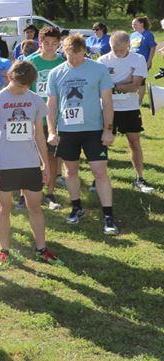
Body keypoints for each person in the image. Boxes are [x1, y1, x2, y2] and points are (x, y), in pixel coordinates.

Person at [0, 61, 59, 267]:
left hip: (30, 163)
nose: (22, 89)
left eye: (25, 86)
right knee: (3, 207)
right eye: (18, 85)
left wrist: (46, 165)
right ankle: (4, 251)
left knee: (35, 207)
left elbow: (39, 136)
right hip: (4, 164)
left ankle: (41, 249)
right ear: (9, 77)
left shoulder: (34, 100)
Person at [46, 34, 118, 234]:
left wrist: (108, 129)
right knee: (71, 171)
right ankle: (77, 207)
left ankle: (108, 216)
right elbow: (51, 106)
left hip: (94, 130)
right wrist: (52, 131)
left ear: (84, 51)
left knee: (100, 171)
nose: (74, 59)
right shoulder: (56, 73)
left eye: (77, 54)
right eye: (70, 54)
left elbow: (108, 102)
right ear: (64, 51)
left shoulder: (98, 69)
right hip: (67, 131)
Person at [99, 30, 153, 192]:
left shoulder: (138, 58)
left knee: (134, 142)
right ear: (110, 45)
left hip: (130, 108)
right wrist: (125, 83)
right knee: (103, 143)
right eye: (115, 49)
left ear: (129, 46)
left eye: (122, 50)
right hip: (107, 107)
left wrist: (114, 86)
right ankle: (100, 178)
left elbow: (135, 85)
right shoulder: (102, 61)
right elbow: (102, 87)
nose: (118, 52)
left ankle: (140, 178)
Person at [26, 27, 65, 208]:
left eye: (54, 44)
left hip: (55, 118)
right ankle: (25, 193)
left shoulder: (63, 63)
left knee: (51, 157)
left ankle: (50, 194)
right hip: (33, 118)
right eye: (46, 43)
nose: (50, 47)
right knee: (29, 157)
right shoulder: (30, 63)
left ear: (59, 44)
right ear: (40, 43)